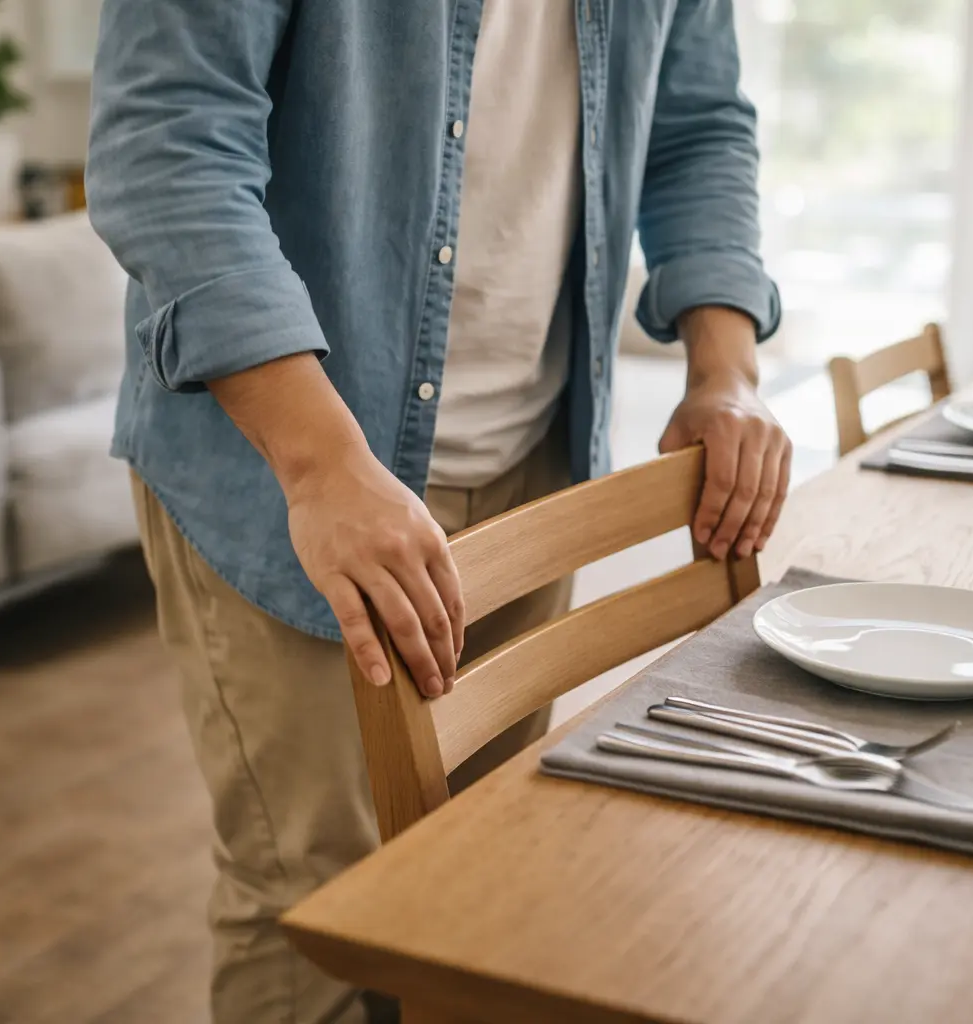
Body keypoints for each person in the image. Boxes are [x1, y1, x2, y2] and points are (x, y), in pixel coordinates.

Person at [86, 1, 788, 1021]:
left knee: (481, 881)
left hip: (534, 458)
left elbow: (699, 125)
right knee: (318, 913)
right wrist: (322, 465)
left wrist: (728, 369)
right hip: (289, 469)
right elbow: (167, 145)